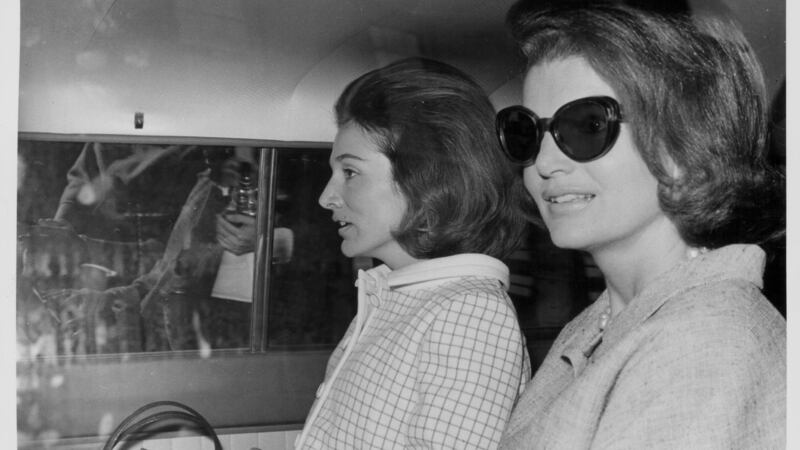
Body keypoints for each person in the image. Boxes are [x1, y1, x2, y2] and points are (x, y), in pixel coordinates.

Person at [494, 2, 786, 448]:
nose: (544, 163)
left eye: (588, 125)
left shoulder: (702, 345)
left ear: (686, 144)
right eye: (529, 131)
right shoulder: (598, 324)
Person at [296, 57, 533, 449]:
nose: (326, 197)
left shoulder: (468, 313)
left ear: (423, 178)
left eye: (350, 173)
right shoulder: (396, 299)